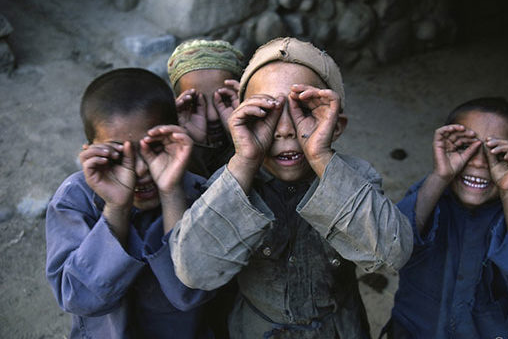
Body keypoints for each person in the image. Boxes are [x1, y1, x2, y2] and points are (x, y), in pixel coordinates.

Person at [169, 37, 414, 338]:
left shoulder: (355, 176)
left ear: (335, 125)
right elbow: (193, 270)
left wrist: (321, 158)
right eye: (266, 112)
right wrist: (245, 159)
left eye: (305, 109)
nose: (285, 129)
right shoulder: (231, 182)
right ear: (243, 119)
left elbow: (394, 253)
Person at [384, 97, 508, 338]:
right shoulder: (426, 198)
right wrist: (440, 175)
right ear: (442, 149)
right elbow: (388, 247)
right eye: (465, 147)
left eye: (499, 154)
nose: (479, 162)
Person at [46, 68, 215, 339]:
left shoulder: (196, 190)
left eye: (155, 147)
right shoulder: (74, 199)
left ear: (176, 138)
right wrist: (116, 208)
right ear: (90, 152)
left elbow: (190, 294)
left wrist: (171, 192)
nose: (138, 169)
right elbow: (77, 299)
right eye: (116, 154)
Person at [167, 38, 245, 177]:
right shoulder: (167, 163)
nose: (212, 115)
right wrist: (194, 148)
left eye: (224, 99)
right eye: (195, 103)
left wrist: (243, 137)